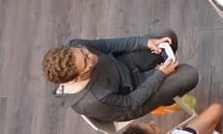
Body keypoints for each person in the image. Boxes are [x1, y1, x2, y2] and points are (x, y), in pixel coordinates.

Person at [43, 30, 198, 122]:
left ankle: (166, 85)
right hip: (132, 96)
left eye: (83, 51)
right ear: (75, 78)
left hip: (121, 64)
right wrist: (160, 74)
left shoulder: (76, 46)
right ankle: (165, 101)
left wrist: (144, 42)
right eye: (86, 61)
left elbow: (106, 46)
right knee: (188, 75)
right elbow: (131, 102)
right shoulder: (94, 100)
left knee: (167, 36)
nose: (91, 55)